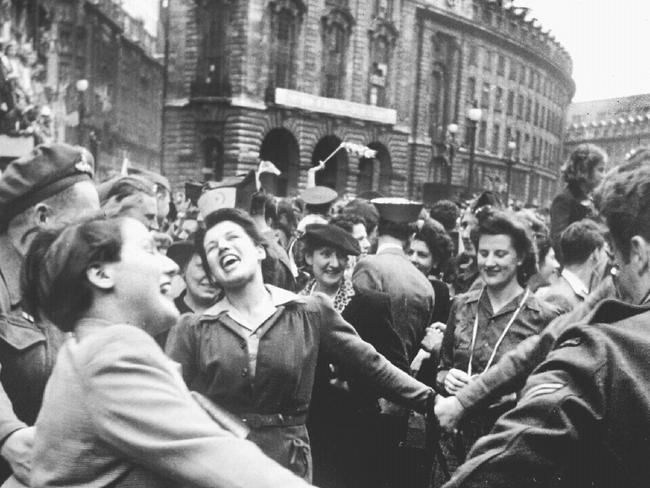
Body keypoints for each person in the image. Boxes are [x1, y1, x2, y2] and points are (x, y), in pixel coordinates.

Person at [17, 215, 310, 488]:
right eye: (150, 250)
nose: (171, 266)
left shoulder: (83, 349)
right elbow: (226, 464)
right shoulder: (112, 352)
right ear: (101, 274)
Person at [165, 208, 435, 481]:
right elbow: (169, 405)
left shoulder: (309, 312)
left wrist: (432, 401)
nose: (223, 246)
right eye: (212, 247)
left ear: (259, 250)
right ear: (211, 271)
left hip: (289, 467)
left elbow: (372, 365)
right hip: (222, 469)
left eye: (232, 237)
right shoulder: (192, 329)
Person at [440, 150, 650, 488]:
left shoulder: (602, 347)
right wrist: (463, 398)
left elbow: (521, 440)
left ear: (638, 253)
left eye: (614, 259)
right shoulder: (464, 304)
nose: (611, 275)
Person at [0, 143, 99, 484]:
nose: (94, 241)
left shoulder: (56, 286)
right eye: (86, 227)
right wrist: (7, 434)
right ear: (43, 217)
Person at [435, 211, 552, 475]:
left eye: (500, 254)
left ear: (520, 257)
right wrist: (446, 378)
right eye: (484, 253)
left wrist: (511, 395)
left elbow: (550, 392)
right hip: (453, 447)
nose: (489, 262)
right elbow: (441, 368)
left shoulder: (544, 317)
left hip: (506, 450)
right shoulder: (461, 305)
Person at [298, 223, 407, 488]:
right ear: (308, 257)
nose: (334, 264)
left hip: (354, 433)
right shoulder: (294, 304)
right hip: (307, 431)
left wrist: (354, 385)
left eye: (341, 256)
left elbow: (397, 368)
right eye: (326, 254)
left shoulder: (370, 304)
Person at [352, 198, 435, 362]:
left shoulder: (367, 266)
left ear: (376, 231)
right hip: (404, 379)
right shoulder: (425, 284)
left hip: (364, 375)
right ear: (411, 238)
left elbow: (353, 330)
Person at [536, 219, 608, 314]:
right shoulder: (560, 297)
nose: (607, 258)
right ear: (595, 254)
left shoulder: (575, 292)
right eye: (604, 251)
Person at [550, 143, 606, 262]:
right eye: (600, 170)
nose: (603, 175)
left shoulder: (593, 200)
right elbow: (558, 242)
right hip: (574, 268)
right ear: (585, 169)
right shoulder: (564, 199)